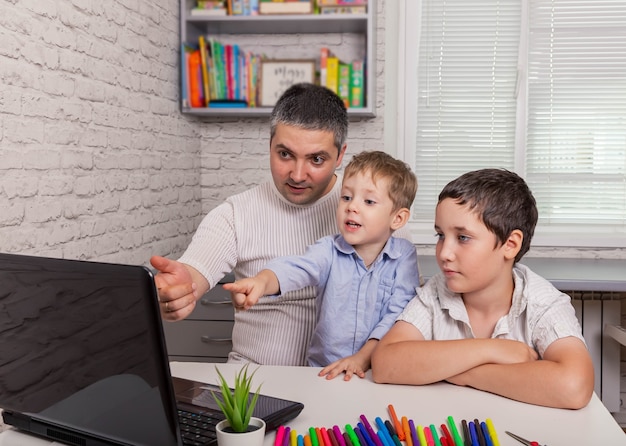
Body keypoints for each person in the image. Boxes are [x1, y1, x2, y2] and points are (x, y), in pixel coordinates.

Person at [149, 83, 348, 366]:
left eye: (316, 159)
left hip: (339, 381)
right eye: (285, 154)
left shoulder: (372, 212)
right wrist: (182, 289)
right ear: (269, 146)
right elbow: (196, 268)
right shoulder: (235, 213)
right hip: (253, 381)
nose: (298, 174)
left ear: (340, 155)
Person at [371, 168, 594, 409]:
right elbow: (385, 364)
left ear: (510, 245)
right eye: (440, 235)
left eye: (463, 238)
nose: (444, 253)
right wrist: (493, 350)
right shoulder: (437, 291)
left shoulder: (542, 301)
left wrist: (463, 373)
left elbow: (574, 386)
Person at [223, 151, 420, 381]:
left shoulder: (404, 255)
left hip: (377, 372)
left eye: (368, 201)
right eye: (346, 197)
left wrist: (363, 358)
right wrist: (261, 282)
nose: (352, 207)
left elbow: (397, 315)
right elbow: (296, 268)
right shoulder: (328, 250)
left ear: (397, 218)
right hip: (326, 371)